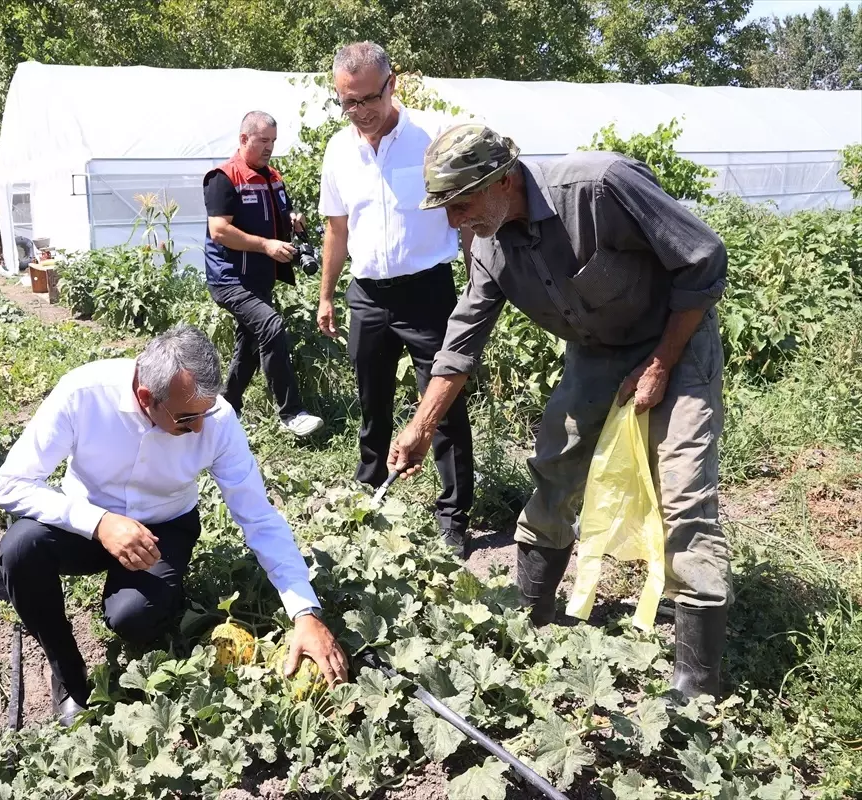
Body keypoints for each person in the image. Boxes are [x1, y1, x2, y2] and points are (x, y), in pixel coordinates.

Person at [388, 124, 732, 700]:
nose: (454, 223)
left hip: (677, 340)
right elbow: (462, 339)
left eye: (462, 205)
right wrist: (421, 426)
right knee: (554, 470)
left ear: (502, 181)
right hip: (594, 355)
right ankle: (532, 623)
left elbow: (703, 259)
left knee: (683, 493)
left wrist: (661, 364)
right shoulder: (490, 239)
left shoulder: (601, 186)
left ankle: (697, 685)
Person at [0, 326, 349, 725]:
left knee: (134, 619)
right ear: (147, 398)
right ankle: (67, 673)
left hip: (164, 528)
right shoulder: (83, 393)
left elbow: (259, 516)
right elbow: (10, 483)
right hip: (86, 523)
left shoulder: (217, 420)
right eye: (186, 418)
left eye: (205, 413)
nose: (199, 428)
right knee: (20, 547)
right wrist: (100, 522)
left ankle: (161, 594)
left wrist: (305, 612)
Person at [316, 41, 472, 557]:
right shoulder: (338, 151)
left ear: (392, 84)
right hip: (368, 295)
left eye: (367, 99)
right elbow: (336, 231)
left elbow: (466, 215)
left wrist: (478, 283)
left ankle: (454, 516)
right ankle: (369, 492)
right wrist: (327, 296)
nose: (359, 112)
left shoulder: (431, 138)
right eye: (348, 102)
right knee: (372, 399)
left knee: (444, 407)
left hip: (428, 292)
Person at [203, 111, 323, 437]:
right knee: (271, 326)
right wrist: (266, 246)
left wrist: (293, 220)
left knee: (251, 344)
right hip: (229, 278)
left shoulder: (273, 177)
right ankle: (291, 413)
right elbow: (219, 230)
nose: (269, 147)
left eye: (273, 141)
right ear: (244, 139)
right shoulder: (223, 178)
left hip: (260, 278)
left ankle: (225, 411)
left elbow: (276, 216)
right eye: (263, 141)